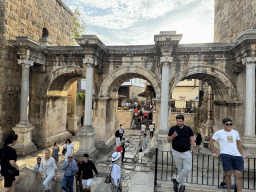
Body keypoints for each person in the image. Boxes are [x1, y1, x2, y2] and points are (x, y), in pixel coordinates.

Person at [209, 118, 244, 192]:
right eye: (227, 124)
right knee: (228, 174)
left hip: (236, 155)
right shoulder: (219, 133)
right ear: (223, 124)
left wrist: (241, 154)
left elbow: (239, 143)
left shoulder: (235, 132)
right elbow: (211, 141)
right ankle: (229, 190)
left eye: (230, 124)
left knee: (239, 175)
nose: (229, 126)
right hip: (225, 155)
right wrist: (213, 152)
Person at [167, 114, 194, 192]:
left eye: (180, 121)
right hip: (176, 152)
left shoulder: (188, 129)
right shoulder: (173, 129)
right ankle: (182, 186)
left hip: (186, 152)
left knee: (188, 168)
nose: (178, 122)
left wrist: (191, 149)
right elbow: (168, 140)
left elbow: (192, 139)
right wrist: (172, 136)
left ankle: (176, 181)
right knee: (180, 169)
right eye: (177, 121)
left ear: (183, 121)